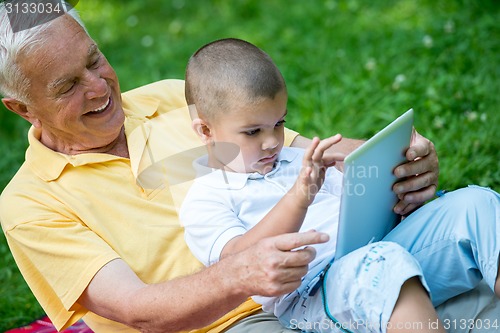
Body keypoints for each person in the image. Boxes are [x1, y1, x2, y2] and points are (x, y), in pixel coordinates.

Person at [0, 2, 454, 332]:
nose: (100, 87)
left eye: (95, 59)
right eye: (68, 86)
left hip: (311, 277)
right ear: (22, 108)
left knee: (473, 218)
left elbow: (301, 155)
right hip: (228, 325)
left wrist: (398, 158)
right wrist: (240, 272)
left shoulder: (168, 99)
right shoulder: (30, 203)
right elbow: (138, 310)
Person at [180, 38, 500, 333]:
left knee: (476, 205)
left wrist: (394, 194)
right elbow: (241, 259)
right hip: (316, 292)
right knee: (383, 263)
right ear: (206, 131)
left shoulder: (296, 160)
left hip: (376, 250)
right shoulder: (206, 199)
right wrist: (299, 197)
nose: (271, 142)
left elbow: (356, 210)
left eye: (279, 124)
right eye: (253, 132)